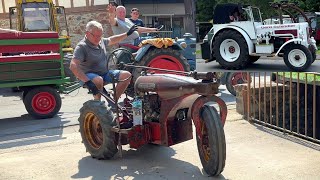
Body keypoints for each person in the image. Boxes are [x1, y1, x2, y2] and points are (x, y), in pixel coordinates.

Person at [70, 21, 137, 101]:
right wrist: (87, 81)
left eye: (100, 36)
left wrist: (127, 34)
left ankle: (114, 101)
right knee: (98, 80)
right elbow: (73, 65)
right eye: (96, 36)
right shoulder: (81, 47)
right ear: (87, 33)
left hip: (104, 74)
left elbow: (112, 39)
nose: (98, 39)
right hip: (88, 77)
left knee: (126, 75)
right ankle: (98, 103)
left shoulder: (100, 41)